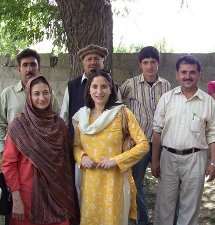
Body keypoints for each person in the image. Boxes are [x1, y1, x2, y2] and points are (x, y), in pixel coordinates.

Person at [151, 55, 215, 225]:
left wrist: (213, 163)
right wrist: (155, 160)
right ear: (177, 74)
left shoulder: (208, 102)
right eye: (183, 72)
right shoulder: (167, 98)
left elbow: (214, 133)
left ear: (199, 75)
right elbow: (157, 131)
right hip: (168, 156)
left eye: (192, 72)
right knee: (164, 204)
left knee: (190, 205)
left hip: (195, 158)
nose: (187, 76)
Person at [72, 69, 149, 225]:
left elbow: (143, 145)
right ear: (89, 89)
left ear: (111, 89)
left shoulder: (122, 113)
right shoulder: (81, 116)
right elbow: (76, 145)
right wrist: (82, 157)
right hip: (90, 183)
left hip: (114, 182)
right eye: (94, 86)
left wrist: (117, 160)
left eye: (104, 87)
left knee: (113, 219)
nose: (99, 91)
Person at [1, 76, 78, 225]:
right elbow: (8, 164)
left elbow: (66, 163)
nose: (42, 98)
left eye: (46, 92)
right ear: (28, 96)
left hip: (58, 195)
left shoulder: (60, 125)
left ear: (51, 94)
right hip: (27, 198)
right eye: (36, 94)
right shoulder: (18, 126)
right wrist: (16, 199)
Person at [120, 46, 171, 225]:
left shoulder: (166, 85)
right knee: (137, 182)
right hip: (138, 142)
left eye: (153, 62)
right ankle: (143, 219)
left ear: (159, 63)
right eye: (146, 62)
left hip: (161, 140)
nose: (150, 66)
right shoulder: (131, 83)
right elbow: (117, 103)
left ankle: (163, 219)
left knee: (166, 181)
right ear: (140, 64)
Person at [60, 44, 109, 206]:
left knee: (104, 189)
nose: (93, 62)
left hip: (105, 150)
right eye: (89, 59)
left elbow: (119, 117)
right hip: (80, 150)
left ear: (103, 62)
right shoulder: (72, 87)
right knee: (80, 188)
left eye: (97, 59)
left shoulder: (112, 87)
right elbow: (63, 118)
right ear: (83, 63)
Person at [0, 48, 59, 158]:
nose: (29, 69)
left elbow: (57, 122)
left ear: (39, 68)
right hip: (14, 154)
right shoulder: (8, 94)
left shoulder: (49, 94)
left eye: (33, 64)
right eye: (25, 65)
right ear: (19, 68)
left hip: (43, 155)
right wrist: (3, 150)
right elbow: (0, 124)